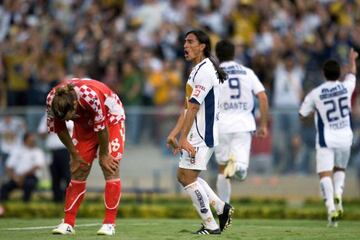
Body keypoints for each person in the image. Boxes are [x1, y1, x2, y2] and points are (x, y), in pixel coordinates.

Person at [167, 29, 234, 235]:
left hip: (202, 133)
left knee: (186, 177)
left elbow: (194, 108)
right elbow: (188, 106)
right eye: (184, 42)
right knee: (186, 176)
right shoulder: (197, 70)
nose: (185, 46)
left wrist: (184, 137)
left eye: (190, 42)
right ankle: (221, 208)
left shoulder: (204, 71)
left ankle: (211, 225)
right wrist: (175, 133)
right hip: (198, 131)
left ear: (202, 46)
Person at [47, 78, 125, 235]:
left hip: (111, 118)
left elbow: (102, 129)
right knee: (79, 169)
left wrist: (104, 154)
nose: (67, 121)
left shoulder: (91, 96)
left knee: (110, 166)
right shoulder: (51, 101)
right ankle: (68, 223)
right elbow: (60, 130)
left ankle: (109, 224)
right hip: (84, 124)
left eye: (69, 117)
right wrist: (74, 154)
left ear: (75, 105)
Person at [299, 48, 358, 227]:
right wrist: (352, 59)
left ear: (323, 74)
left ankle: (331, 208)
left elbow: (302, 114)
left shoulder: (316, 93)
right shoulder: (346, 87)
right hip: (346, 137)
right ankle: (339, 194)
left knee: (325, 174)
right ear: (339, 73)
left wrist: (314, 110)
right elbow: (352, 74)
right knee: (340, 169)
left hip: (326, 139)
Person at [214, 39, 269, 203]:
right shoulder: (247, 72)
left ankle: (224, 207)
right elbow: (263, 97)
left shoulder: (213, 73)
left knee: (222, 169)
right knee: (240, 165)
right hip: (243, 124)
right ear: (234, 53)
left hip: (221, 125)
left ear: (217, 55)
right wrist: (263, 125)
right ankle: (240, 167)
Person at [0, 132, 46, 202]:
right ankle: (4, 206)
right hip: (16, 177)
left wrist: (22, 177)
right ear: (25, 141)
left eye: (34, 140)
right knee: (4, 188)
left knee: (28, 184)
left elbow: (37, 167)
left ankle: (25, 204)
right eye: (31, 140)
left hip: (31, 177)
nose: (33, 142)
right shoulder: (17, 151)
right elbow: (8, 167)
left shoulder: (38, 152)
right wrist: (15, 178)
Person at [38, 113, 73, 203]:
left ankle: (69, 200)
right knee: (55, 176)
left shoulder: (67, 112)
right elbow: (41, 133)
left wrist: (56, 127)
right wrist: (51, 128)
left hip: (65, 149)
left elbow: (70, 129)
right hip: (52, 151)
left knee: (67, 175)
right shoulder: (47, 116)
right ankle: (57, 199)